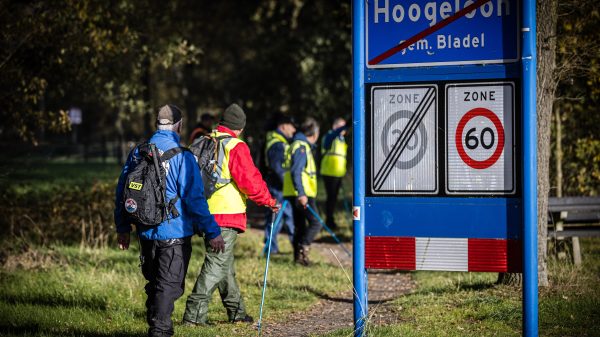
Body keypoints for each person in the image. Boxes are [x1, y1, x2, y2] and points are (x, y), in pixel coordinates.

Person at [114, 104, 225, 337]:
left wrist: (123, 227)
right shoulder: (182, 157)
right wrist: (213, 232)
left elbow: (122, 191)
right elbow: (195, 199)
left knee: (156, 284)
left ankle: (158, 324)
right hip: (174, 234)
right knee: (170, 286)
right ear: (179, 125)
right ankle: (160, 330)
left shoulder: (138, 152)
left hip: (145, 232)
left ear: (157, 124)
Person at [183, 103, 280, 325]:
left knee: (224, 266)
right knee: (216, 264)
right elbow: (250, 181)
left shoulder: (205, 140)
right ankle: (194, 316)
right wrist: (269, 201)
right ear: (240, 128)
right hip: (226, 214)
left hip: (204, 212)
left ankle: (236, 313)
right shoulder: (235, 146)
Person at [283, 117, 321, 266]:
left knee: (300, 226)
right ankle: (302, 250)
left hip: (295, 192)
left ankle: (298, 259)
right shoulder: (301, 147)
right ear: (314, 133)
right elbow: (296, 171)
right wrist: (301, 193)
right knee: (316, 223)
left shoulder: (296, 144)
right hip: (302, 194)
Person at [263, 114, 296, 254]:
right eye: (291, 126)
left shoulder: (277, 140)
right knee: (277, 217)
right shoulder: (277, 144)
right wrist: (289, 185)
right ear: (283, 126)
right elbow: (278, 168)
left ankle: (294, 247)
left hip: (280, 186)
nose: (293, 130)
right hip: (278, 187)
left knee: (285, 217)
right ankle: (271, 249)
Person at [320, 117, 349, 230]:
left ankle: (330, 220)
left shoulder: (341, 139)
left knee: (334, 198)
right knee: (331, 198)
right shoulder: (330, 136)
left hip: (338, 173)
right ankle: (329, 221)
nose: (344, 129)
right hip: (329, 172)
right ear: (335, 126)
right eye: (342, 126)